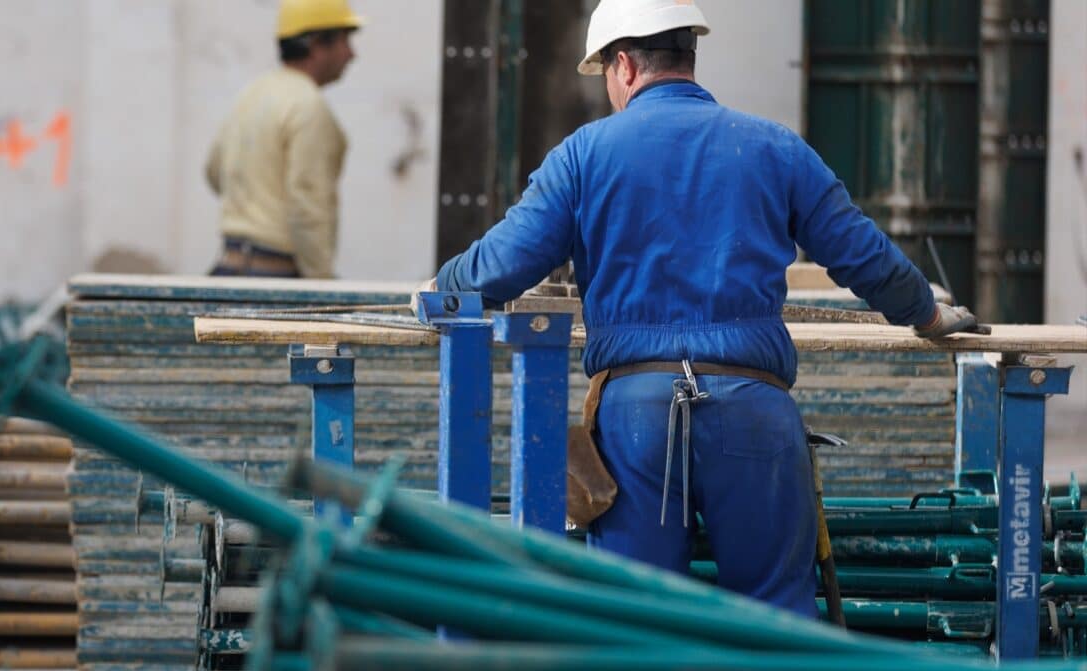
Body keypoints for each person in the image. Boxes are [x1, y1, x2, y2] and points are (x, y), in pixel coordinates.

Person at [421, 0, 979, 616]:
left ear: (625, 66)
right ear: (689, 57)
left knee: (643, 623)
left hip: (637, 421)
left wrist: (440, 287)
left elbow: (497, 268)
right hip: (755, 412)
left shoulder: (583, 156)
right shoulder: (774, 148)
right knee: (774, 623)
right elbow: (866, 257)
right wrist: (927, 314)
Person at [205, 0, 361, 278]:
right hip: (275, 276)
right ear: (315, 44)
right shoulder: (308, 107)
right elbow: (308, 205)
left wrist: (254, 205)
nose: (351, 54)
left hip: (229, 267)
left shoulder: (253, 94)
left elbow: (215, 172)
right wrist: (323, 286)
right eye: (344, 40)